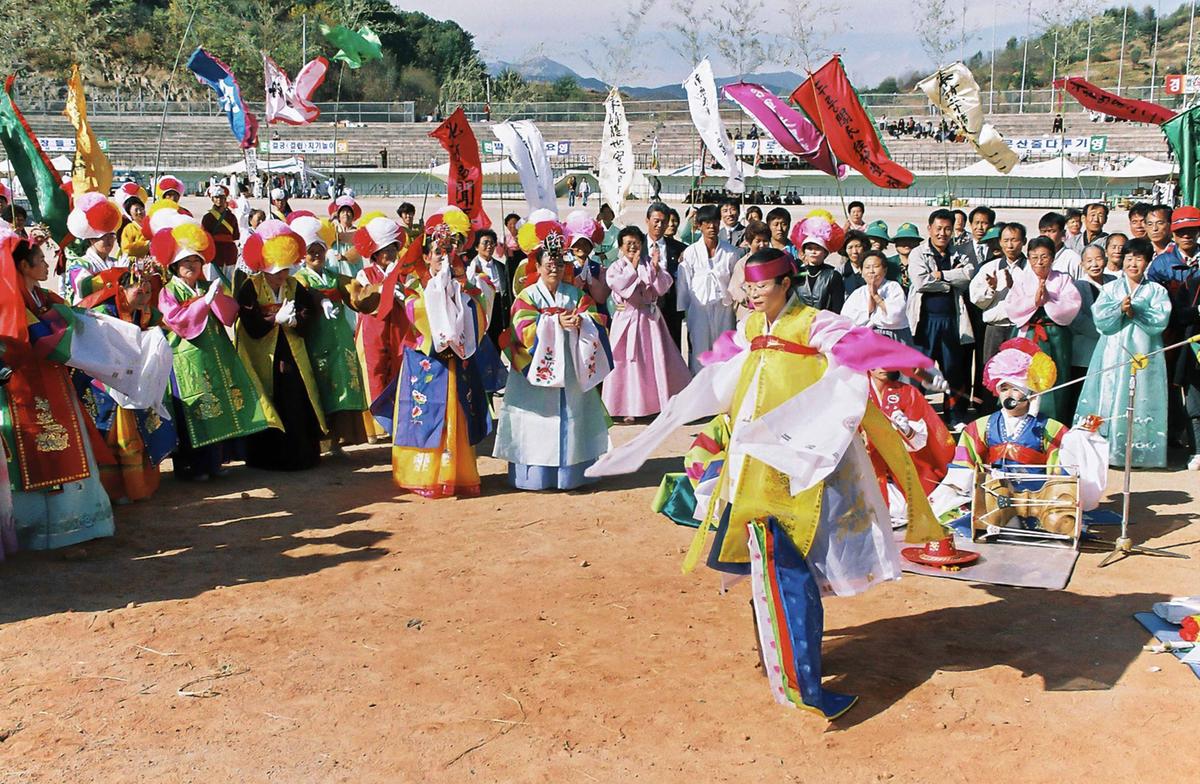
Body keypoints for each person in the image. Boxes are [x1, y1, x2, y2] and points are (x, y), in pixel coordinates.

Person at [586, 247, 944, 719]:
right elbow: (721, 366)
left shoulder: (813, 323)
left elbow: (859, 347)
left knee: (788, 567)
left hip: (800, 466)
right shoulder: (753, 329)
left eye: (761, 286)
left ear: (786, 284)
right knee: (770, 566)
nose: (752, 294)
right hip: (752, 466)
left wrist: (916, 362)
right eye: (748, 286)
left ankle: (795, 672)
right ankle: (793, 673)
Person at [0, 231, 115, 551]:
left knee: (67, 445)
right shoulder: (15, 305)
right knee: (33, 452)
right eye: (39, 261)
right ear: (23, 266)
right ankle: (36, 527)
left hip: (53, 383)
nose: (47, 265)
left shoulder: (44, 298)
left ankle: (75, 522)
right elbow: (29, 341)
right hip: (24, 388)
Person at [376, 207, 492, 498]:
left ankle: (454, 472)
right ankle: (421, 473)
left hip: (453, 364)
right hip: (424, 362)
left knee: (453, 417)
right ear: (426, 256)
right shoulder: (413, 287)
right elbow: (409, 324)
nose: (443, 257)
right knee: (423, 416)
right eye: (437, 252)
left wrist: (464, 301)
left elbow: (480, 319)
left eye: (447, 252)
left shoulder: (464, 287)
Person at [493, 220, 612, 490]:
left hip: (568, 367)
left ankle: (571, 474)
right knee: (535, 424)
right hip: (533, 374)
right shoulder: (526, 295)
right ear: (536, 266)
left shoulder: (575, 294)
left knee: (571, 417)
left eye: (559, 265)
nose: (554, 270)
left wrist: (582, 323)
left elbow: (596, 318)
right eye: (549, 265)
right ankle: (533, 476)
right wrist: (555, 323)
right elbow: (521, 327)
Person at [156, 219, 271, 481]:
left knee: (220, 405)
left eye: (196, 261)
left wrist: (216, 297)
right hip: (188, 358)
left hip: (216, 354)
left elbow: (230, 315)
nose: (192, 266)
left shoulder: (208, 286)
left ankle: (216, 461)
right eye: (187, 262)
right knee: (195, 410)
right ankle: (193, 466)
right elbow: (177, 321)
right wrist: (202, 303)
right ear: (175, 265)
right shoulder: (168, 291)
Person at [74, 264, 177, 504]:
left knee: (140, 433)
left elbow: (171, 327)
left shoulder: (147, 312)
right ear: (121, 290)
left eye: (148, 292)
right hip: (102, 382)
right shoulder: (102, 313)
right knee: (110, 437)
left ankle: (138, 486)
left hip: (133, 381)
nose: (144, 297)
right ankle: (112, 490)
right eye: (138, 292)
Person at [236, 220, 327, 471]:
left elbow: (307, 310)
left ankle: (300, 455)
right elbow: (247, 319)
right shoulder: (250, 286)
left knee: (295, 398)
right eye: (276, 272)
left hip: (291, 351)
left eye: (285, 270)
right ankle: (266, 457)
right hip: (262, 353)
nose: (281, 277)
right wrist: (273, 319)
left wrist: (297, 320)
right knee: (267, 396)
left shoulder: (294, 286)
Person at [1074, 237, 1172, 468]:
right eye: (1129, 258)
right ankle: (1104, 451)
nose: (1133, 264)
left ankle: (1141, 453)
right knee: (1109, 391)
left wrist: (1136, 311)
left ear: (1147, 262)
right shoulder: (1110, 289)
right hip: (1112, 351)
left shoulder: (1157, 291)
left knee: (1142, 395)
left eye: (1139, 259)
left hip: (1144, 352)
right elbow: (1100, 320)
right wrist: (1119, 308)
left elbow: (1160, 320)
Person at [291, 215, 370, 455]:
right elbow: (304, 296)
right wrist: (320, 299)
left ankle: (339, 439)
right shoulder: (300, 278)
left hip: (341, 338)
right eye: (311, 252)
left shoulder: (334, 276)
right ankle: (322, 440)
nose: (316, 255)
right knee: (322, 388)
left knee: (345, 385)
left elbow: (353, 291)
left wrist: (367, 288)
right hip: (318, 340)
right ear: (303, 255)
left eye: (319, 251)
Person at [602, 225, 692, 420]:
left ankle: (657, 403)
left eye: (636, 243)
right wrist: (633, 269)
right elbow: (618, 285)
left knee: (653, 361)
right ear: (621, 247)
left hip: (649, 319)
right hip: (626, 319)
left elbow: (663, 286)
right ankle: (626, 407)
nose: (632, 247)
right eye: (628, 243)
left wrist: (656, 268)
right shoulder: (616, 267)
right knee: (625, 363)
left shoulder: (648, 263)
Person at [907, 209, 976, 426]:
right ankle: (912, 415)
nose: (943, 233)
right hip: (924, 321)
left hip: (951, 320)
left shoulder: (959, 253)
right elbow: (921, 282)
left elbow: (968, 275)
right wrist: (948, 284)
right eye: (938, 228)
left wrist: (941, 275)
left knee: (952, 370)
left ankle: (954, 417)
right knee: (918, 371)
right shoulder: (918, 253)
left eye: (947, 229)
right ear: (929, 229)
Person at [348, 216, 414, 444]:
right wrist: (385, 289)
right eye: (384, 250)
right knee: (374, 371)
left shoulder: (405, 272)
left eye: (392, 249)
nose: (390, 254)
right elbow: (359, 298)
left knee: (400, 369)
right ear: (375, 252)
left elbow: (415, 296)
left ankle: (399, 420)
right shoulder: (365, 274)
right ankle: (376, 425)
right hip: (373, 328)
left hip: (400, 327)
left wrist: (401, 290)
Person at [1004, 237, 1082, 423]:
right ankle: (1021, 420)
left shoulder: (1063, 279)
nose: (1039, 262)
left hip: (1054, 336)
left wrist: (1049, 300)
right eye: (1034, 257)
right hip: (1027, 335)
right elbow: (1012, 308)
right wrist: (1033, 301)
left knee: (1055, 380)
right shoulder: (1022, 279)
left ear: (1053, 257)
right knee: (1022, 379)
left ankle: (1054, 422)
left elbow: (1072, 307)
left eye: (1044, 257)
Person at [676, 204, 738, 373]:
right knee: (700, 350)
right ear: (699, 225)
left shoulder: (731, 252)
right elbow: (684, 282)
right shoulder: (690, 252)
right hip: (699, 308)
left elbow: (735, 280)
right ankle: (698, 388)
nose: (712, 227)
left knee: (725, 350)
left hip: (724, 307)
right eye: (707, 223)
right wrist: (685, 310)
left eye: (715, 222)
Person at [970, 222, 1027, 380]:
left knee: (1019, 374)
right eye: (1006, 240)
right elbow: (976, 299)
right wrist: (992, 289)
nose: (1010, 245)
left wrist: (1014, 287)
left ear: (1024, 241)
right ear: (1000, 242)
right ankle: (990, 405)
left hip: (1020, 328)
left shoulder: (1030, 268)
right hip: (995, 329)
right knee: (992, 373)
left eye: (1014, 240)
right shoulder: (989, 268)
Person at [1069, 245, 1117, 417]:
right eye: (1089, 261)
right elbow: (1076, 318)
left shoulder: (1115, 282)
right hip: (1085, 350)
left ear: (1105, 259)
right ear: (1082, 264)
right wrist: (1103, 331)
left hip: (1112, 348)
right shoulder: (1077, 286)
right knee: (1082, 392)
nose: (1094, 264)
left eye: (1098, 259)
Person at [841, 251, 910, 344]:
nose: (871, 271)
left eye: (876, 267)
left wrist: (876, 297)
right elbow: (846, 319)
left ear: (885, 270)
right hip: (865, 339)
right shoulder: (858, 293)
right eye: (867, 267)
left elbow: (897, 314)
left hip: (893, 336)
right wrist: (868, 314)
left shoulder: (893, 287)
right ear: (861, 272)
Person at [64, 192, 122, 303]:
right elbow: (82, 288)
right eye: (104, 237)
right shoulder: (79, 264)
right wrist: (118, 273)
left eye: (111, 236)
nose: (109, 240)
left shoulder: (115, 262)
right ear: (92, 239)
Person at [644, 202, 688, 349]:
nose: (659, 225)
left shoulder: (680, 249)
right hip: (643, 308)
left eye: (663, 222)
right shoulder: (636, 246)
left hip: (670, 309)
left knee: (671, 350)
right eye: (656, 221)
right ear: (647, 220)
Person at [790, 216, 845, 312]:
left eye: (818, 248)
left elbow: (837, 307)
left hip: (825, 322)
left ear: (825, 252)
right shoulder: (797, 273)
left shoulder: (833, 275)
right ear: (804, 251)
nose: (813, 252)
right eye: (810, 248)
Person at [728, 221, 771, 320]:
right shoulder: (743, 264)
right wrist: (752, 301)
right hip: (748, 314)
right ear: (749, 242)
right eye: (758, 241)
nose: (762, 245)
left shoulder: (772, 261)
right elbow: (734, 288)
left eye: (765, 241)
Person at [325, 195, 363, 279]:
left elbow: (358, 250)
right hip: (335, 264)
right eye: (342, 212)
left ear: (353, 216)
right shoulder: (334, 228)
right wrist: (330, 219)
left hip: (352, 267)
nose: (346, 214)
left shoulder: (357, 230)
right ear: (338, 216)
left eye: (349, 212)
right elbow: (324, 233)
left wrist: (345, 257)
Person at [1037, 212, 1082, 278]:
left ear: (1063, 233)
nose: (1047, 235)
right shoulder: (1035, 258)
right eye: (1043, 231)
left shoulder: (1073, 259)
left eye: (1052, 231)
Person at [115, 182, 150, 261]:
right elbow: (126, 248)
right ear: (130, 213)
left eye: (141, 209)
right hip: (133, 262)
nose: (139, 212)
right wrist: (146, 244)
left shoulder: (151, 224)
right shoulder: (128, 228)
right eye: (136, 210)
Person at [889, 222, 923, 290]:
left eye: (911, 240)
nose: (907, 243)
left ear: (918, 243)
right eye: (902, 240)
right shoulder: (887, 263)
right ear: (896, 244)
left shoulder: (924, 263)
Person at [838, 229, 869, 295]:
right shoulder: (840, 272)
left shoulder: (871, 270)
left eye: (858, 246)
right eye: (850, 247)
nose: (854, 251)